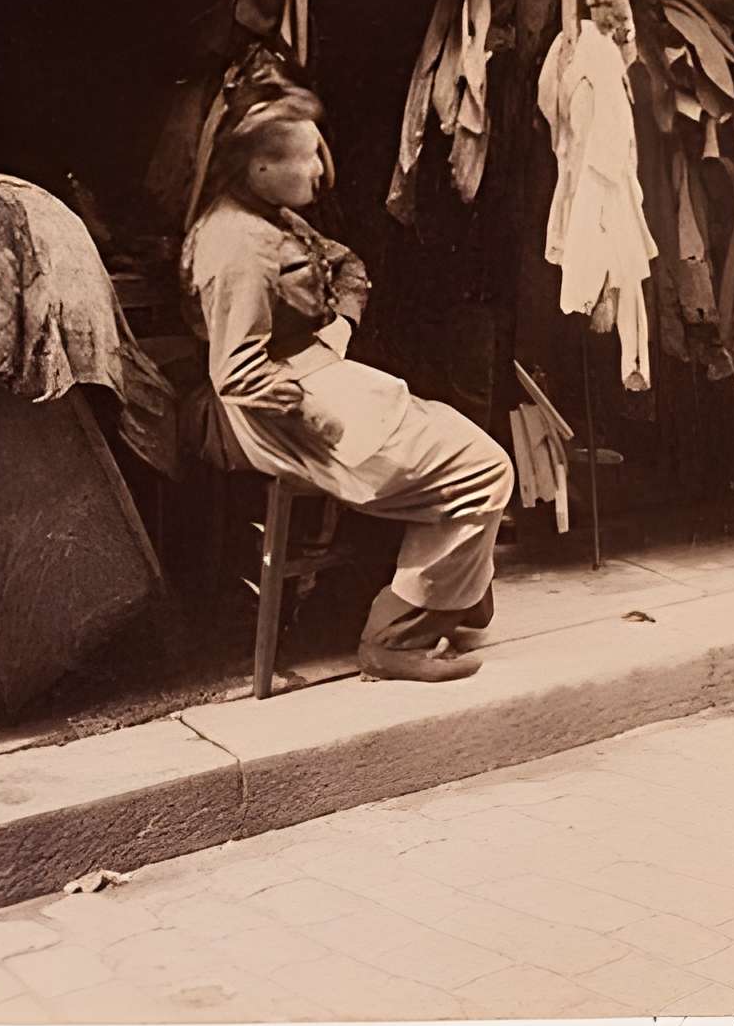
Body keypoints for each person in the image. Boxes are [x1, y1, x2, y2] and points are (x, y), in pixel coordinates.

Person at [183, 88, 513, 682]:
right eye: (307, 157)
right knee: (481, 470)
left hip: (307, 375)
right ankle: (397, 634)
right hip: (274, 412)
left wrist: (335, 340)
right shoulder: (237, 243)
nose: (321, 170)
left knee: (462, 444)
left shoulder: (265, 217)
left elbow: (337, 269)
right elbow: (236, 371)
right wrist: (321, 413)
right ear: (260, 167)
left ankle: (455, 593)